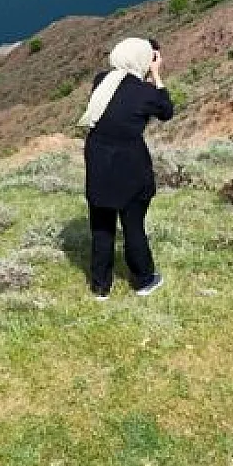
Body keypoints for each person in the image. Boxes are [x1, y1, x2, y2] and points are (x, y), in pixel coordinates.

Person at [80, 37, 174, 299]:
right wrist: (156, 75)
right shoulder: (146, 93)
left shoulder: (101, 81)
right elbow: (166, 111)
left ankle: (100, 286)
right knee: (133, 225)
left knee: (101, 225)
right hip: (129, 162)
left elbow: (120, 97)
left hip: (98, 158)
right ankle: (143, 280)